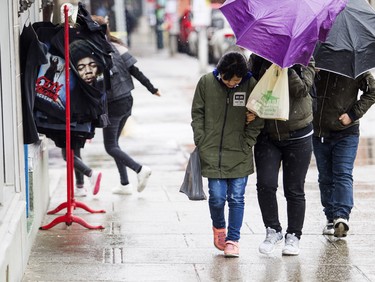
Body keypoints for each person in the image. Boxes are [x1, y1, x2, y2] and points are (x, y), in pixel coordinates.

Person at [191, 51, 264, 257]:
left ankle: (233, 239)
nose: (232, 84)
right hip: (212, 152)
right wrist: (201, 140)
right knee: (216, 197)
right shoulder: (206, 83)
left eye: (237, 81)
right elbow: (197, 113)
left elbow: (259, 117)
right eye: (228, 79)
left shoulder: (251, 86)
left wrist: (247, 142)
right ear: (220, 73)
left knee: (236, 198)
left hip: (239, 152)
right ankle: (219, 227)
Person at [248, 54, 315, 256]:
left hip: (298, 132)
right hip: (267, 134)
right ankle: (273, 230)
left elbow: (302, 89)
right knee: (266, 185)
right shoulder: (258, 58)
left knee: (294, 189)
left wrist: (288, 66)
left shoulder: (306, 58)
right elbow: (249, 87)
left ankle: (293, 235)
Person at [92, 15, 161, 195]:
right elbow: (135, 71)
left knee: (110, 146)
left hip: (112, 104)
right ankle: (124, 184)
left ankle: (139, 169)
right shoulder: (117, 46)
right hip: (127, 100)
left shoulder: (94, 51)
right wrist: (152, 89)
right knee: (115, 144)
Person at [313, 70, 375, 237]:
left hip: (346, 131)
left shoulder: (353, 64)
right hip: (319, 131)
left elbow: (373, 90)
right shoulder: (314, 59)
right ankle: (331, 217)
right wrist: (311, 73)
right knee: (325, 177)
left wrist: (352, 114)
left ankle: (341, 217)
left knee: (342, 173)